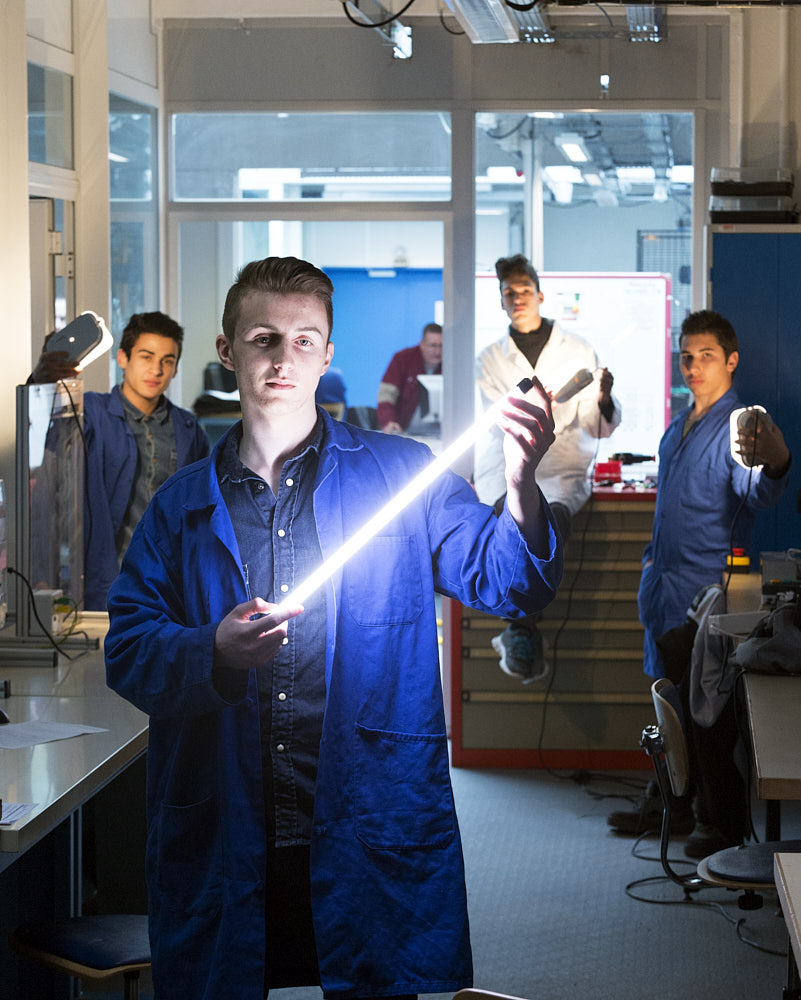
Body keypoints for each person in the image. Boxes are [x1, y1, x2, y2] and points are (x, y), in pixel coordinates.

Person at [104, 255, 563, 1000]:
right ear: (227, 352)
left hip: (362, 812)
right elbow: (126, 651)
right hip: (231, 820)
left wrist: (518, 482)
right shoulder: (180, 508)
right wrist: (210, 650)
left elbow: (510, 582)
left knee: (377, 979)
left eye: (304, 340)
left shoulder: (400, 476)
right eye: (263, 338)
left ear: (327, 354)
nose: (284, 357)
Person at [607, 309, 792, 851]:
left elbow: (758, 488)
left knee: (708, 717)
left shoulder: (739, 427)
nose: (693, 365)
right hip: (664, 585)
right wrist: (648, 563)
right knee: (669, 706)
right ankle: (671, 803)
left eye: (706, 355)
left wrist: (777, 462)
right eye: (686, 356)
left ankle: (717, 819)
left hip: (705, 593)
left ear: (731, 361)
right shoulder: (679, 425)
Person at [474, 253, 621, 681]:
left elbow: (597, 422)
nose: (517, 298)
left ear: (539, 294)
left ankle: (520, 627)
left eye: (523, 290)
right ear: (501, 301)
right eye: (508, 293)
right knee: (513, 522)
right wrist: (536, 405)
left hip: (560, 468)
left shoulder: (577, 350)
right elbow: (498, 416)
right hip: (507, 466)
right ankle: (521, 626)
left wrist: (605, 397)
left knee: (550, 521)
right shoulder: (489, 358)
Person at [32, 311, 209, 610]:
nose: (156, 370)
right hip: (102, 583)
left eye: (167, 361)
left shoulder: (188, 430)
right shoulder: (88, 414)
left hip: (168, 587)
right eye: (146, 356)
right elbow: (46, 489)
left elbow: (202, 518)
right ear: (123, 358)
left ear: (176, 369)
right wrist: (40, 379)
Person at [377, 321, 442, 434]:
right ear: (421, 344)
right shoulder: (403, 359)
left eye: (441, 346)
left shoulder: (451, 362)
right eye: (433, 345)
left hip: (439, 433)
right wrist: (388, 421)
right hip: (404, 431)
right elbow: (386, 395)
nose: (437, 351)